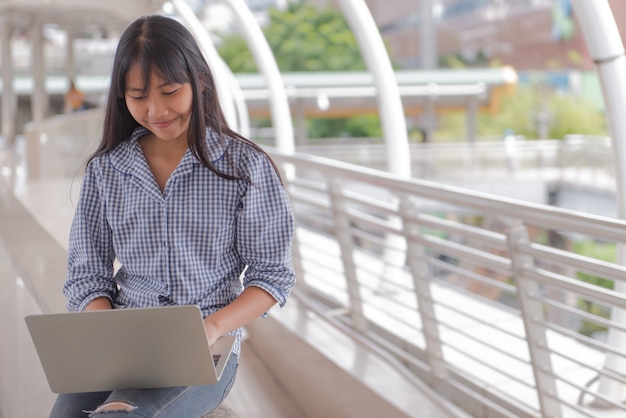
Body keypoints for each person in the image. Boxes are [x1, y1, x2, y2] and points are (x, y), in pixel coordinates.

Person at [50, 15, 296, 418]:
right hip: (123, 343)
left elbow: (272, 276)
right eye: (137, 96)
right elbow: (86, 274)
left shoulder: (244, 167)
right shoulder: (107, 170)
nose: (156, 110)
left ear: (199, 80)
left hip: (208, 346)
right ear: (121, 97)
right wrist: (109, 336)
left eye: (169, 91)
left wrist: (213, 327)